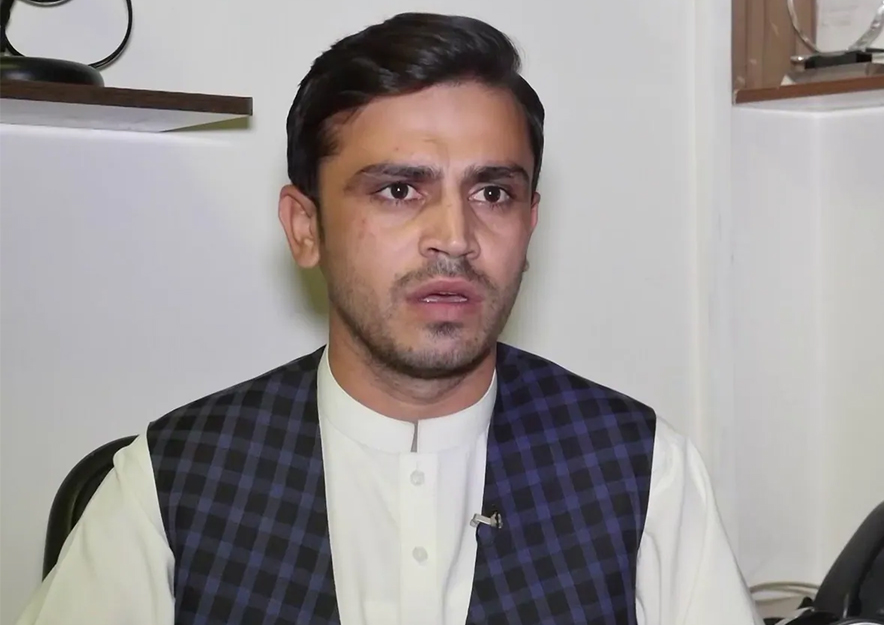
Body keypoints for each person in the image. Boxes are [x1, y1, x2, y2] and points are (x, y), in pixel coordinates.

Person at [17, 12, 760, 625]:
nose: (455, 237)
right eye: (400, 191)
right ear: (305, 226)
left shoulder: (641, 470)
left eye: (493, 193)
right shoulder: (173, 481)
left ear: (531, 223)